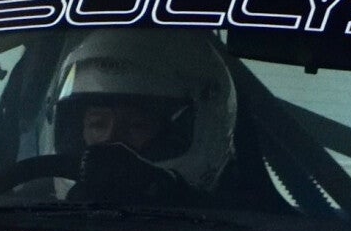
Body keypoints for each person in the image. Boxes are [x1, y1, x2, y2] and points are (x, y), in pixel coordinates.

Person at [46, 29, 239, 204]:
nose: (110, 141)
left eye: (136, 125)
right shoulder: (34, 210)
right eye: (97, 124)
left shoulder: (243, 223)